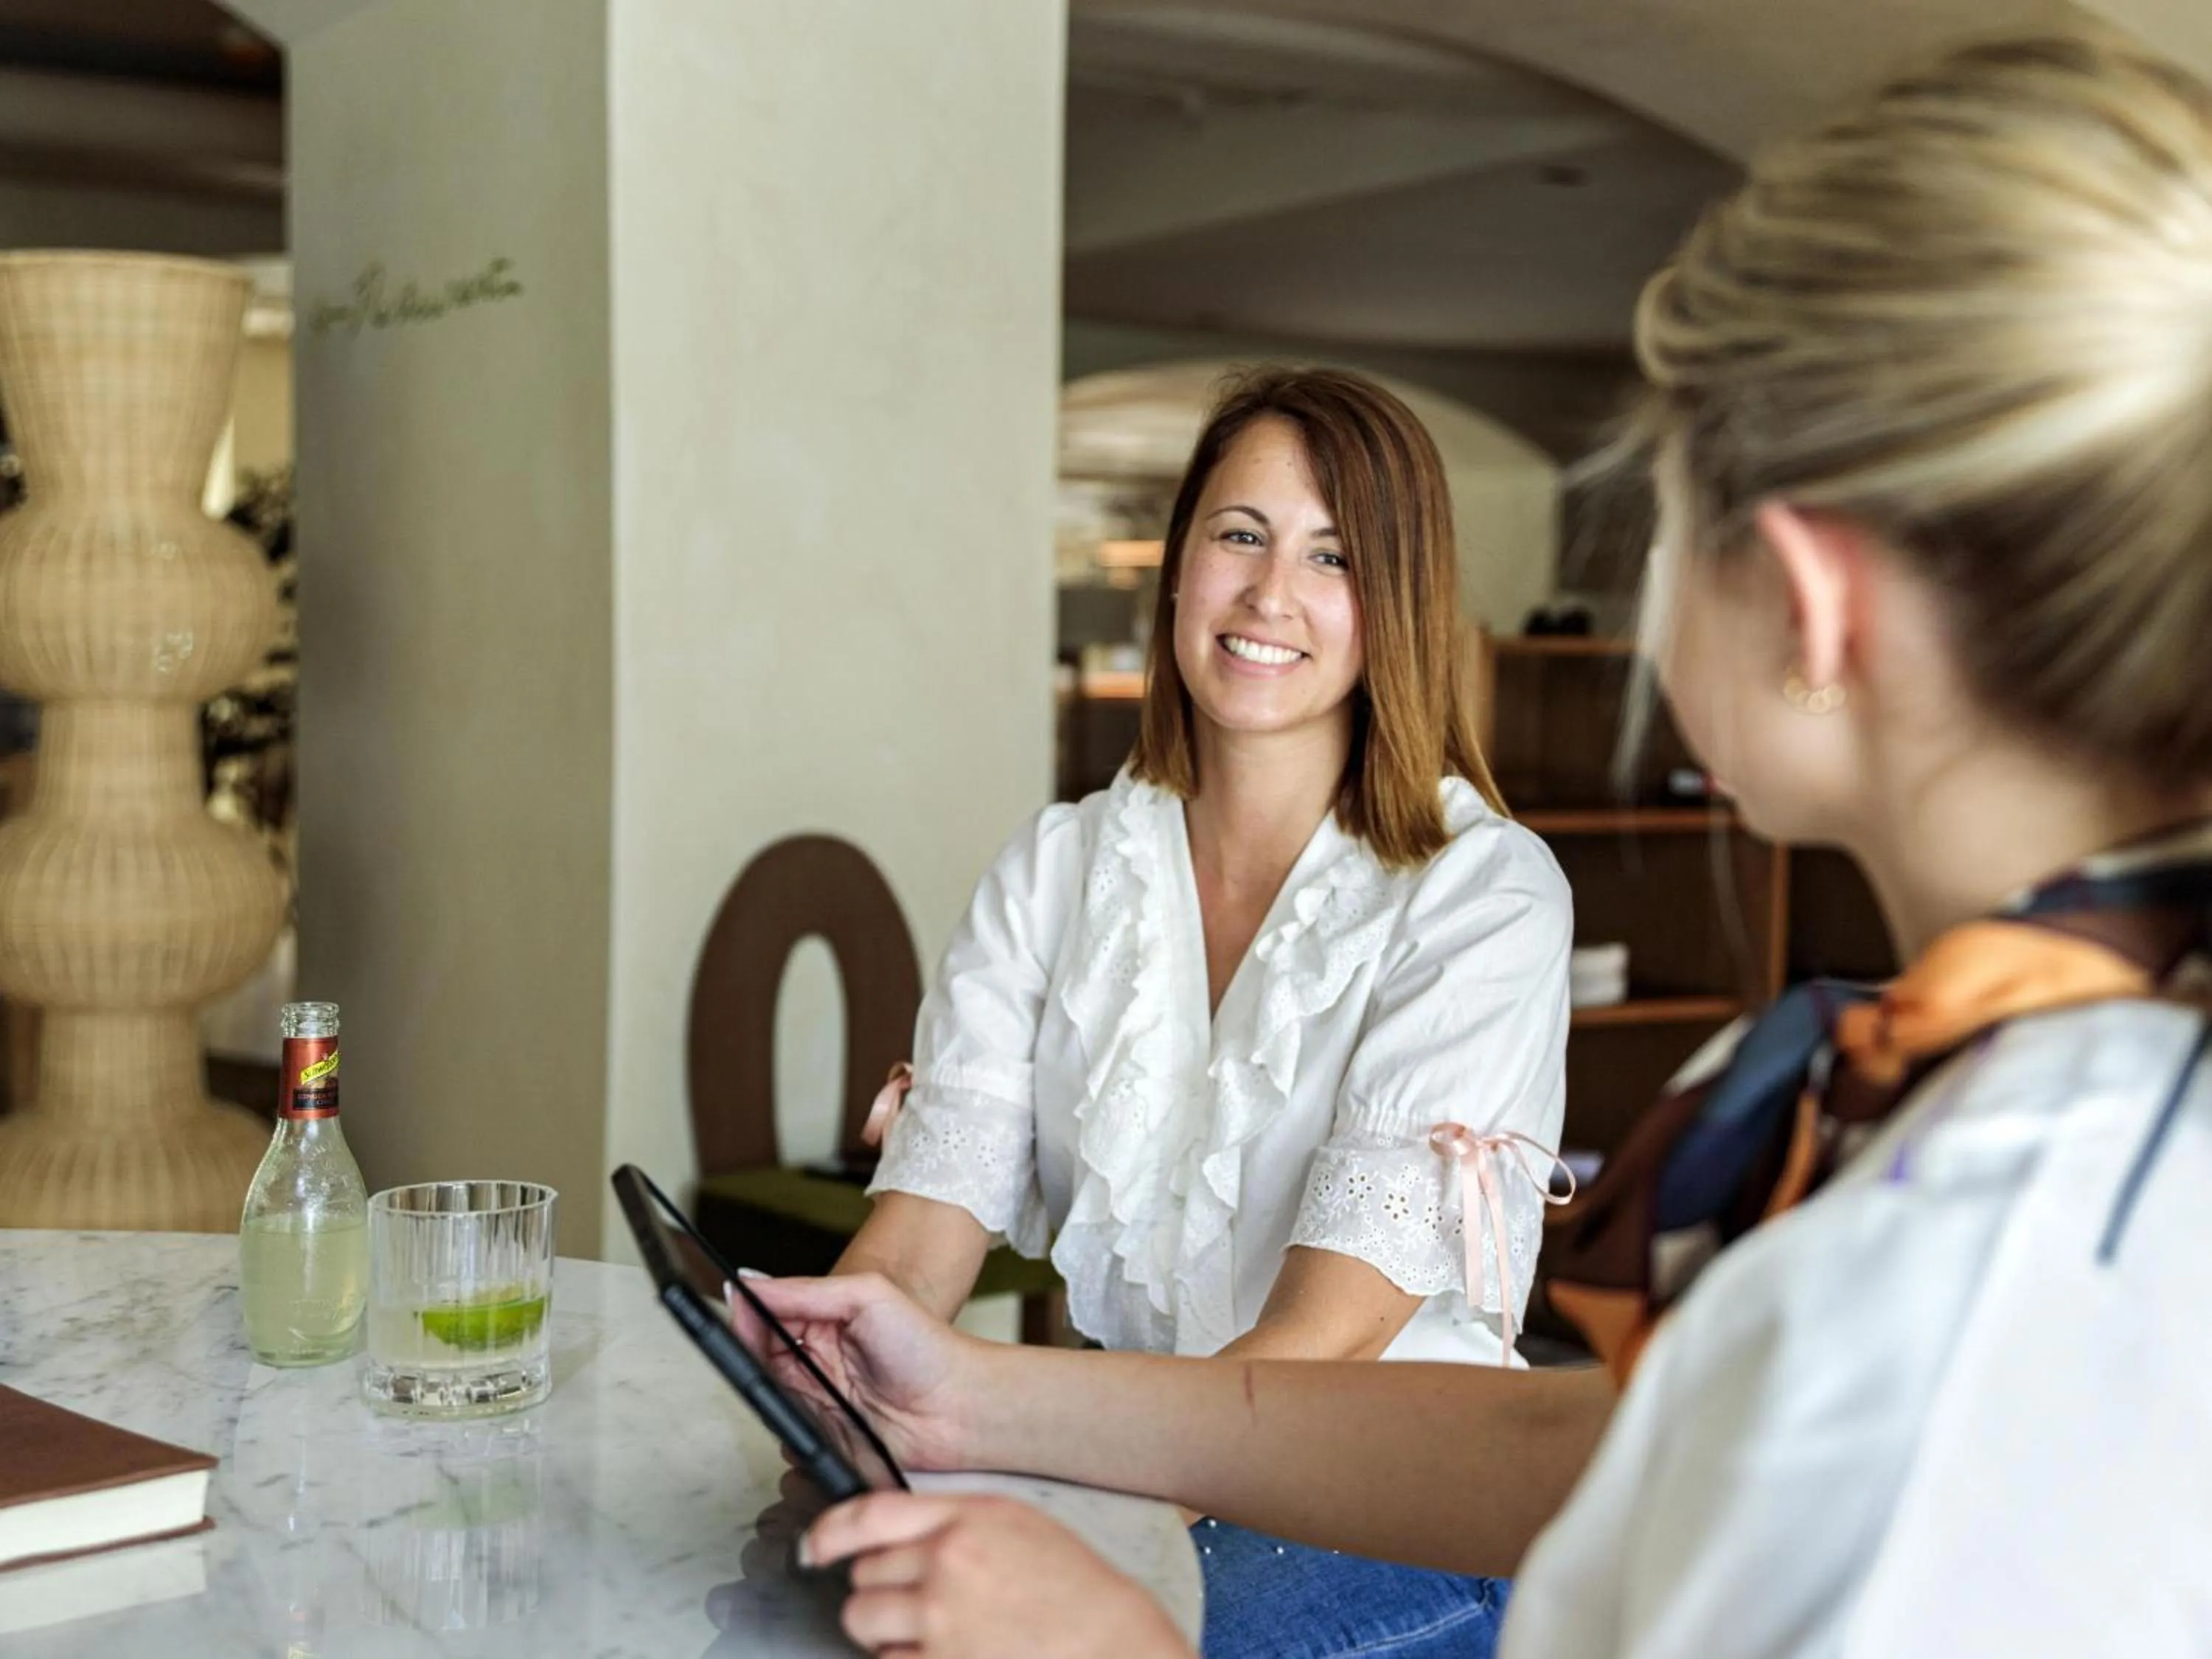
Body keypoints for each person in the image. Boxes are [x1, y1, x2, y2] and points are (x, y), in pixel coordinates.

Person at [748, 27, 2212, 1658]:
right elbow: (1576, 1453)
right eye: (1237, 538)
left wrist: (1112, 1644)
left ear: (1809, 600)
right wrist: (970, 1397)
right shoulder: (2046, 1119)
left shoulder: (1976, 1244)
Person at [837, 366, 1573, 1654]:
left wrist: (1077, 1523)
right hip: (1140, 1478)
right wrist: (824, 1379)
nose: (1269, 595)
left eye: (1332, 556)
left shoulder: (1482, 891)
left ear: (1393, 606)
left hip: (1407, 1511)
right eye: (1240, 534)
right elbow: (919, 1239)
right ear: (1177, 564)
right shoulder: (1056, 868)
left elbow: (1328, 1339)